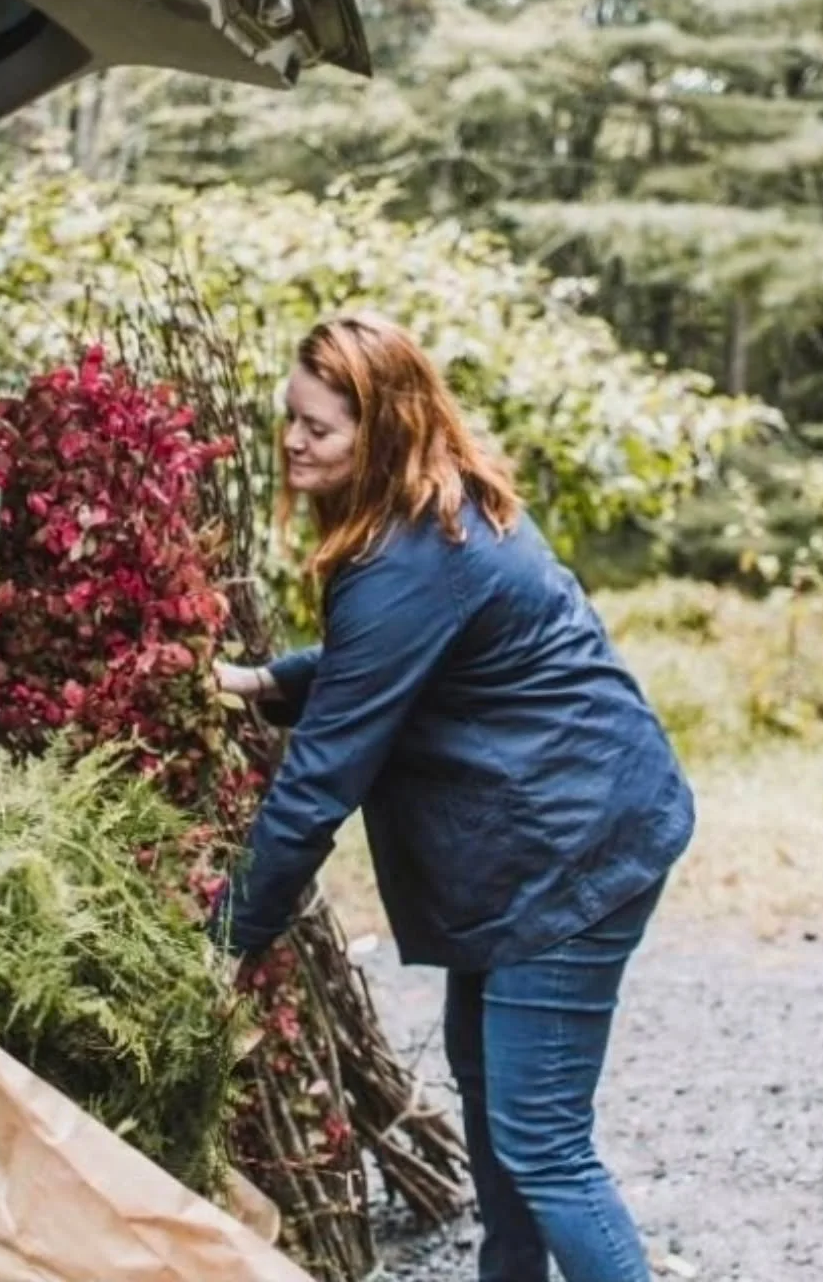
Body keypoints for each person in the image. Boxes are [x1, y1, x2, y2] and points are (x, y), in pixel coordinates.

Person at [211, 313, 693, 1282]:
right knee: (496, 1111)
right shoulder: (433, 509)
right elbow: (383, 659)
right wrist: (268, 682)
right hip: (541, 837)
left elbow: (320, 782)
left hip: (570, 852)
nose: (294, 442)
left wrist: (225, 940)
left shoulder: (408, 553)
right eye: (292, 419)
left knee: (545, 1146)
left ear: (382, 429)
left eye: (320, 427)